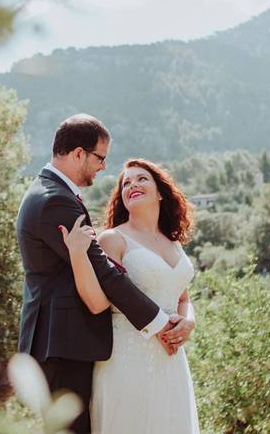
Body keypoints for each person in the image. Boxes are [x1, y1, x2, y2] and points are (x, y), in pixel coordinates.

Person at [16, 115, 180, 434]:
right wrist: (159, 322)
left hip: (62, 342)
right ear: (79, 153)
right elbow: (103, 271)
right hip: (61, 344)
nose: (103, 167)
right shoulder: (55, 201)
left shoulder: (50, 193)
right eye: (100, 158)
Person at [60, 158, 200, 434]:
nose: (132, 185)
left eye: (141, 179)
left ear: (160, 192)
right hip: (126, 360)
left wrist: (189, 322)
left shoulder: (173, 242)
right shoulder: (113, 240)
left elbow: (183, 298)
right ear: (122, 197)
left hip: (171, 360)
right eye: (126, 183)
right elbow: (96, 303)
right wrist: (77, 254)